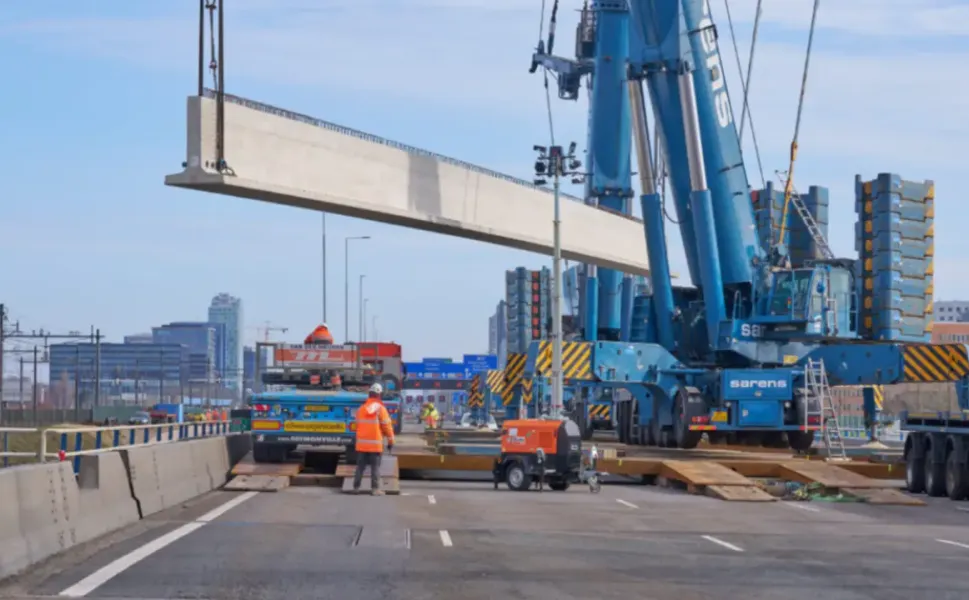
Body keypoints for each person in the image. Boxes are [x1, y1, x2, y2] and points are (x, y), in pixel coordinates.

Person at [352, 383, 396, 496]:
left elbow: (357, 426)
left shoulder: (361, 409)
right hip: (375, 446)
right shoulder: (380, 409)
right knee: (375, 468)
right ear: (379, 395)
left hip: (361, 445)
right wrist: (391, 441)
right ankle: (375, 489)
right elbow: (387, 426)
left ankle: (356, 487)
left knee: (360, 467)